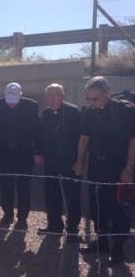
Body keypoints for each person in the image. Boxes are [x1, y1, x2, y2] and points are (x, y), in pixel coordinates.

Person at [74, 76, 135, 265]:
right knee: (97, 205)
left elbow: (133, 141)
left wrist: (129, 167)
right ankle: (101, 242)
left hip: (119, 166)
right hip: (97, 166)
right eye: (89, 99)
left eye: (96, 98)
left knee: (118, 209)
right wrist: (80, 162)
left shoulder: (125, 110)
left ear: (107, 92)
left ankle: (117, 248)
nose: (92, 102)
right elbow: (84, 139)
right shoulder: (90, 113)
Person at [0, 82, 41, 229]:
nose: (11, 105)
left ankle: (22, 217)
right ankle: (7, 214)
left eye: (14, 101)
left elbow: (37, 131)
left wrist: (37, 152)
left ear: (21, 95)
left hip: (25, 152)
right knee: (6, 185)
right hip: (4, 152)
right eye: (9, 101)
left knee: (24, 186)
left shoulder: (31, 106)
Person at [36, 84, 82, 242]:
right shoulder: (46, 113)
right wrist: (39, 152)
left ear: (62, 95)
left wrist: (79, 161)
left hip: (70, 162)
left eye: (54, 95)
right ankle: (54, 225)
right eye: (48, 96)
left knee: (72, 196)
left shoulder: (73, 111)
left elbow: (81, 138)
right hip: (51, 161)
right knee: (51, 195)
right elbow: (40, 136)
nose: (51, 99)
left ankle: (73, 230)